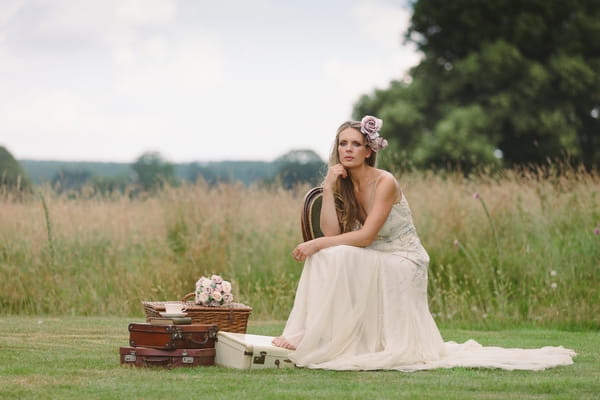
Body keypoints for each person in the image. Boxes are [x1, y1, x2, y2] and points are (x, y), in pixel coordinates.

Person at [272, 116, 576, 371]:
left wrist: (319, 244)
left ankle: (313, 335)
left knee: (330, 252)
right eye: (342, 144)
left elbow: (364, 237)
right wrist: (328, 187)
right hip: (375, 253)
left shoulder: (384, 182)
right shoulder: (344, 183)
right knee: (327, 255)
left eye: (355, 144)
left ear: (369, 150)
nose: (347, 150)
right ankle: (314, 332)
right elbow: (332, 230)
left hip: (404, 259)